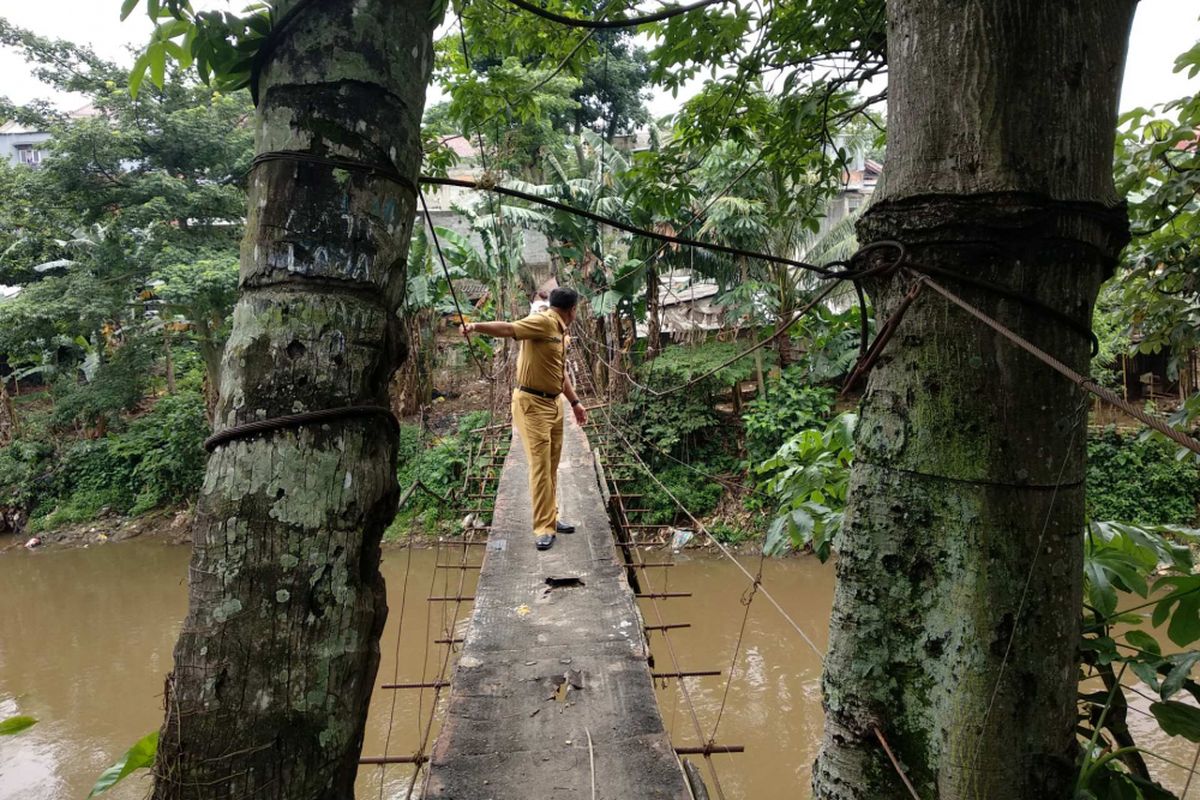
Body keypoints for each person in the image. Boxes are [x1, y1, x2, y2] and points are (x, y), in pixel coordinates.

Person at [462, 287, 588, 551]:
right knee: (541, 466)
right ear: (572, 310)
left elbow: (559, 371)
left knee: (552, 464)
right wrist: (475, 326)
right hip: (532, 404)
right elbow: (509, 329)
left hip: (554, 404)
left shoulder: (560, 331)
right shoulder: (542, 322)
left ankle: (551, 517)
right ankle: (543, 527)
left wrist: (575, 403)